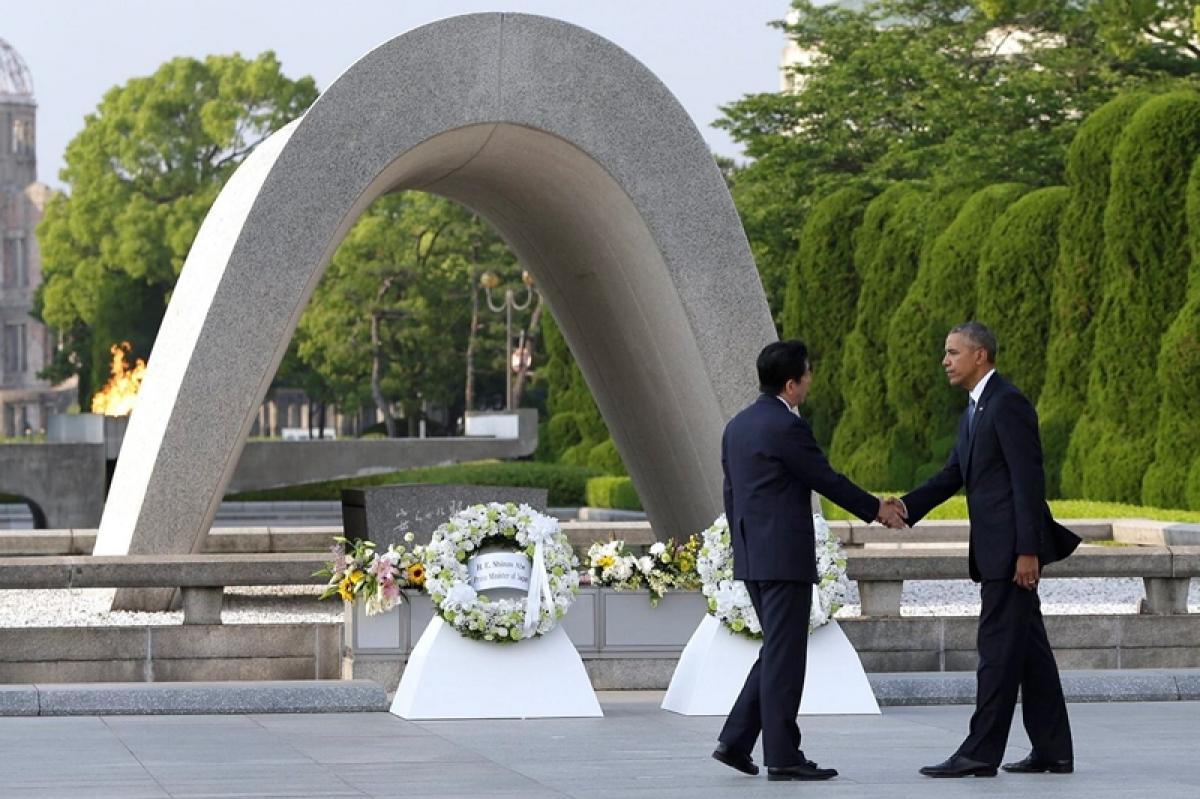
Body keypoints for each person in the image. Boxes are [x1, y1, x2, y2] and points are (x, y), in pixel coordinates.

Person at [712, 340, 906, 782]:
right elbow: (826, 479)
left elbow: (731, 494)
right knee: (785, 657)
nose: (810, 381)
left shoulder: (737, 425)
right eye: (808, 374)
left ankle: (736, 741)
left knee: (777, 652)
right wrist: (877, 509)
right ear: (791, 383)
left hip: (753, 556)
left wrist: (742, 550)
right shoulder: (786, 427)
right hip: (784, 557)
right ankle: (782, 756)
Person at [894, 321, 1079, 778]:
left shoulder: (1008, 404)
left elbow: (1027, 481)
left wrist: (1027, 550)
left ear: (981, 356)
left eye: (953, 352)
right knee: (1030, 653)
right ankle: (1054, 750)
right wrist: (904, 507)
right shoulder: (976, 410)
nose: (945, 360)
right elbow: (952, 474)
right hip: (997, 553)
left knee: (996, 653)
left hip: (1010, 557)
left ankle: (979, 752)